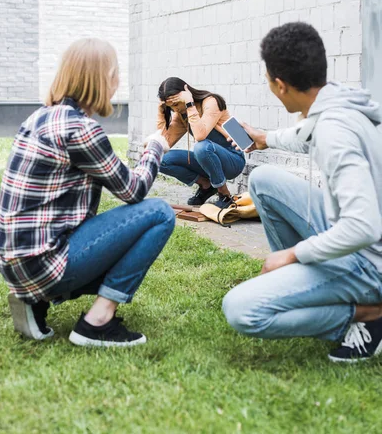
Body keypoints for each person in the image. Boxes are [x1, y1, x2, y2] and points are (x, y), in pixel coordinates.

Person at [0, 38, 175, 348]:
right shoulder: (80, 129)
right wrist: (157, 146)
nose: (118, 82)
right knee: (159, 214)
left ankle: (34, 299)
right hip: (43, 263)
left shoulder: (38, 117)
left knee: (115, 230)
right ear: (102, 79)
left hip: (14, 263)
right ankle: (96, 323)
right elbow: (133, 190)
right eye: (115, 74)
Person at [223, 22, 382, 362]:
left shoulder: (334, 134)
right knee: (264, 180)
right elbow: (304, 135)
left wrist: (293, 255)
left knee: (240, 309)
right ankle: (309, 284)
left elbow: (363, 226)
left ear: (279, 85)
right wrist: (264, 137)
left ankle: (369, 315)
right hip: (363, 243)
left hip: (372, 263)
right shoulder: (338, 102)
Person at [157, 77, 246, 208]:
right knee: (158, 158)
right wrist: (161, 112)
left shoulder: (211, 102)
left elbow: (200, 135)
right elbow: (164, 144)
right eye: (171, 107)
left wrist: (189, 104)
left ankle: (224, 194)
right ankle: (206, 185)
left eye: (176, 104)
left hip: (233, 160)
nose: (175, 110)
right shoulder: (181, 114)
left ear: (185, 93)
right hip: (207, 159)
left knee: (201, 147)